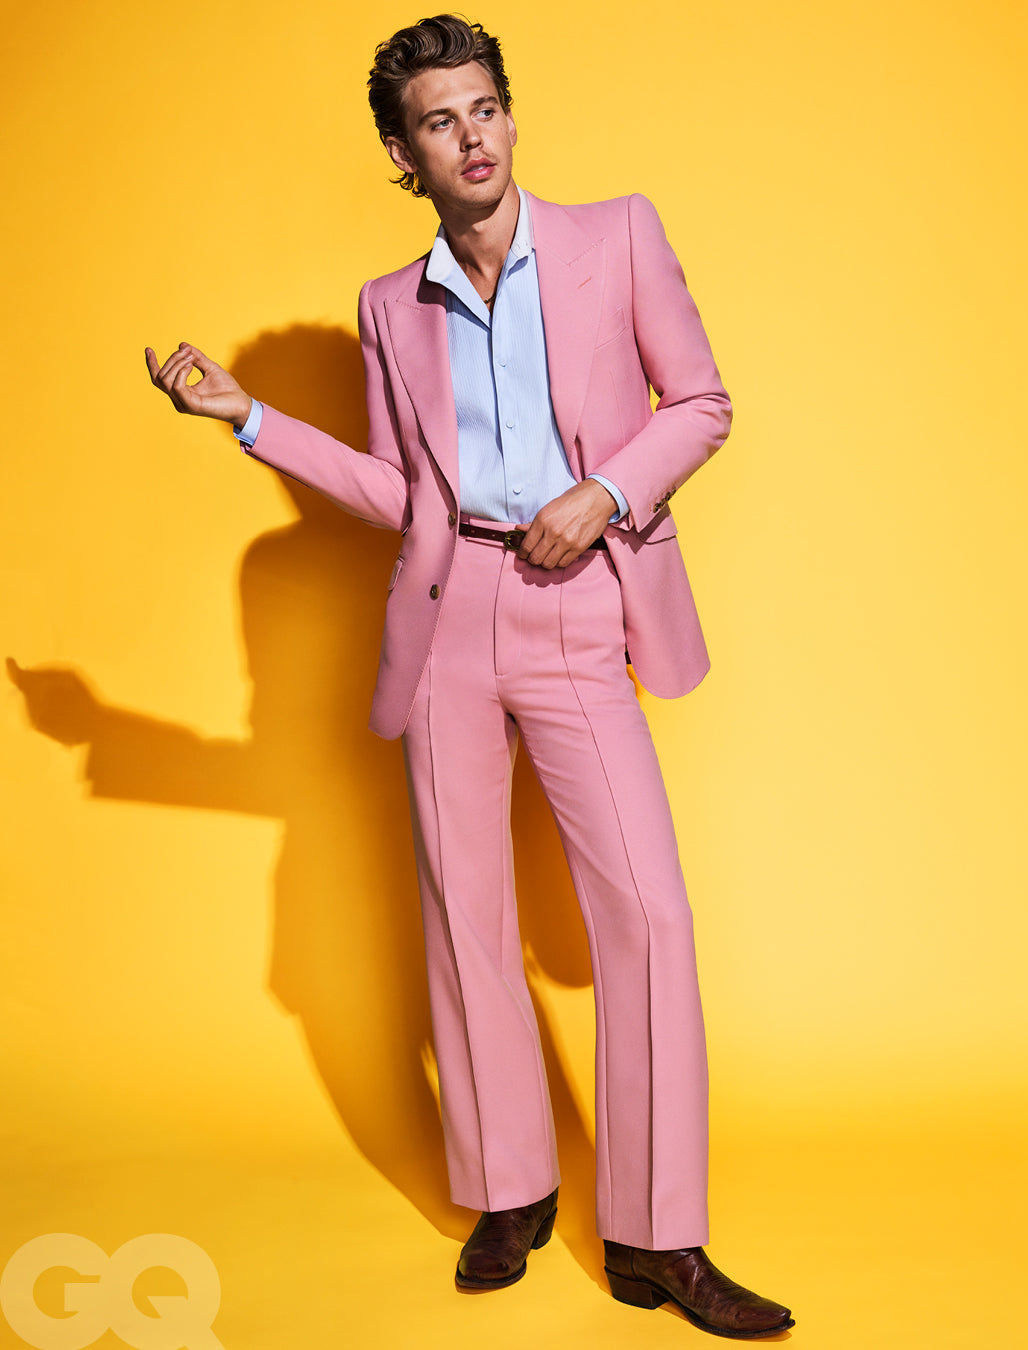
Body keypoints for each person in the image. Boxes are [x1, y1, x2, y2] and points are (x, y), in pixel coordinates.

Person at [145, 14, 793, 1338]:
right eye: (440, 122)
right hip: (449, 624)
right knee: (464, 914)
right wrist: (250, 419)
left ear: (507, 113)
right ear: (406, 154)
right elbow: (404, 493)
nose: (473, 137)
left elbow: (702, 404)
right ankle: (508, 1190)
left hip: (579, 602)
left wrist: (606, 493)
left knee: (649, 914)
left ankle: (658, 1237)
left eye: (485, 107)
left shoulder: (616, 238)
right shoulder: (393, 306)